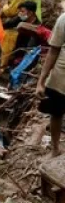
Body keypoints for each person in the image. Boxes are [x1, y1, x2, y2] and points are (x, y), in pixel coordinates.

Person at [36, 11, 65, 158]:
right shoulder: (64, 19)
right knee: (56, 113)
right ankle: (55, 148)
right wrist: (41, 81)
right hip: (60, 78)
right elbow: (53, 51)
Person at [1, 0, 42, 66]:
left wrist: (4, 6)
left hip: (22, 21)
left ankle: (6, 65)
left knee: (19, 43)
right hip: (35, 17)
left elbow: (10, 12)